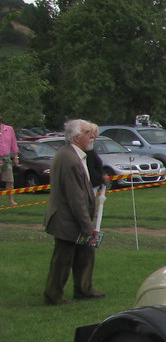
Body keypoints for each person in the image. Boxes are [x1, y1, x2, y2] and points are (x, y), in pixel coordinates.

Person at [43, 119, 104, 305]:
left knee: (85, 254)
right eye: (87, 133)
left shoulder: (77, 155)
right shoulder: (69, 159)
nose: (92, 136)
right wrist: (88, 227)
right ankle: (54, 296)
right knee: (63, 259)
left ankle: (84, 289)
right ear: (77, 137)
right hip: (66, 220)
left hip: (74, 219)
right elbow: (75, 198)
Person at [0, 115, 18, 205]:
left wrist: (16, 156)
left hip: (7, 159)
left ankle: (11, 200)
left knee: (10, 180)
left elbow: (13, 143)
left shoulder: (9, 129)